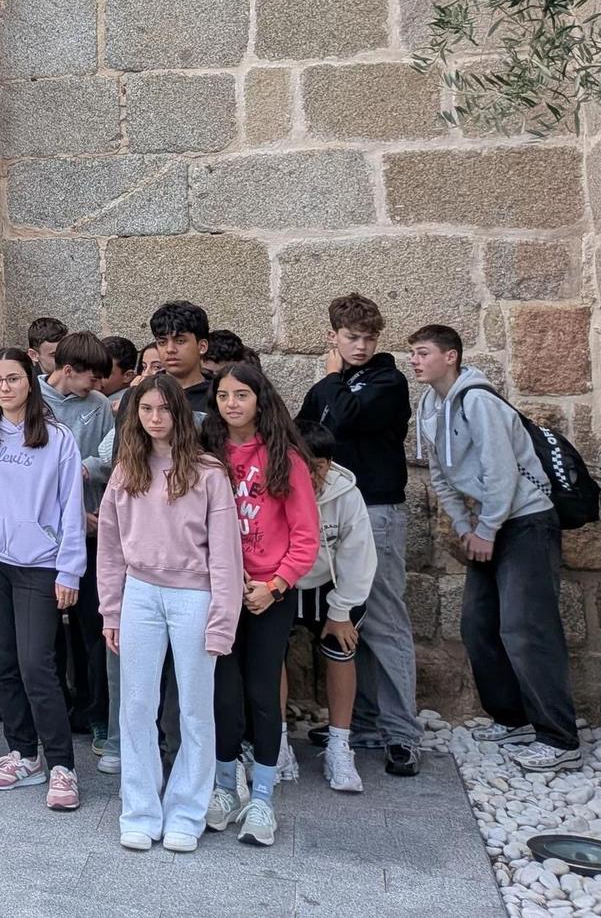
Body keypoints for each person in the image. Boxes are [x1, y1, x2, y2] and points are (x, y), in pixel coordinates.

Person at [408, 325, 580, 773]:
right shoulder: (429, 406)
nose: (415, 361)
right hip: (489, 524)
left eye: (423, 353)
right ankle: (513, 719)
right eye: (413, 353)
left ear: (451, 357)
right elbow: (441, 475)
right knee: (478, 625)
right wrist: (467, 528)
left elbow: (500, 471)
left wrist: (485, 527)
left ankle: (560, 739)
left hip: (526, 522)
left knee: (527, 630)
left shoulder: (478, 401)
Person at [98, 372, 243, 854]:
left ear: (179, 414)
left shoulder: (208, 473)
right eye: (146, 410)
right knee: (137, 706)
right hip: (139, 593)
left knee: (195, 710)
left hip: (192, 597)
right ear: (134, 415)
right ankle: (139, 810)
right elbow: (111, 549)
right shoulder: (126, 470)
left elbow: (225, 555)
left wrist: (223, 620)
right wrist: (111, 612)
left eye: (163, 409)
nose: (155, 418)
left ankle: (186, 810)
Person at [0, 347, 86, 813]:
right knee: (2, 663)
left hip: (39, 564)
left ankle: (62, 763)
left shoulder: (58, 438)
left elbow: (70, 509)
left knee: (36, 665)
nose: (5, 387)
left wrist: (70, 568)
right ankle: (23, 752)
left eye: (13, 378)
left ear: (31, 380)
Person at [295, 293, 420, 777]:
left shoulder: (389, 380)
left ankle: (401, 733)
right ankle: (364, 723)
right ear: (334, 336)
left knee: (385, 618)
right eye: (352, 337)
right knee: (349, 620)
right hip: (330, 512)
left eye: (369, 337)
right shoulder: (335, 383)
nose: (362, 346)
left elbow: (344, 416)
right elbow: (305, 429)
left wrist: (329, 377)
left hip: (376, 507)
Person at [202, 362, 319, 847]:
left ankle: (264, 796)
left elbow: (305, 537)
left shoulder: (283, 458)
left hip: (269, 596)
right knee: (224, 694)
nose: (232, 404)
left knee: (262, 694)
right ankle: (226, 786)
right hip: (220, 591)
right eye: (224, 396)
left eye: (242, 395)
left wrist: (274, 585)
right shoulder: (207, 455)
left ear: (260, 400)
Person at [38, 331, 118, 748]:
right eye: (91, 377)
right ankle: (51, 711)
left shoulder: (99, 406)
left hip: (88, 531)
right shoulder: (32, 398)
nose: (98, 385)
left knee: (93, 625)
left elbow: (108, 458)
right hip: (40, 537)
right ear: (67, 371)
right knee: (44, 632)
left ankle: (96, 712)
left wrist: (94, 513)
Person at [291, 420, 378, 793]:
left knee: (341, 649)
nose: (312, 476)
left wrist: (341, 610)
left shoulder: (346, 493)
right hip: (285, 579)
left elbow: (358, 555)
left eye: (320, 466)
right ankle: (276, 742)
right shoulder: (276, 482)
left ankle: (340, 744)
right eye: (304, 465)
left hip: (334, 581)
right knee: (271, 651)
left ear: (330, 463)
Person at [149, 302, 215, 421]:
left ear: (202, 346)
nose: (170, 350)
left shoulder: (220, 396)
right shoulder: (141, 395)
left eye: (180, 341)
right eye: (162, 342)